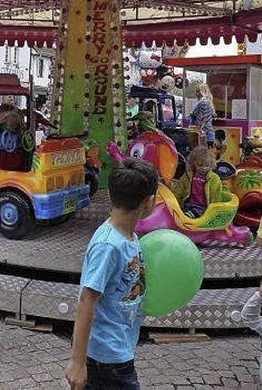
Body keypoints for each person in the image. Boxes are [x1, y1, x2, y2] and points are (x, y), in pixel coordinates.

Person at [65, 158, 159, 390]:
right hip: (106, 358)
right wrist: (77, 362)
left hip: (118, 347)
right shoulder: (109, 246)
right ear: (149, 202)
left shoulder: (129, 236)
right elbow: (87, 299)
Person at [174, 146, 225, 218]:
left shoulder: (214, 178)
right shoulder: (188, 176)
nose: (203, 168)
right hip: (188, 204)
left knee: (191, 214)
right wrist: (175, 202)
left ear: (211, 164)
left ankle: (188, 216)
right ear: (193, 163)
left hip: (203, 207)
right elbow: (179, 189)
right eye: (200, 165)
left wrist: (214, 210)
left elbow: (216, 195)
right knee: (179, 213)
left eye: (207, 166)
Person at [189, 82, 215, 148]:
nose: (196, 94)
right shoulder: (207, 102)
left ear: (203, 92)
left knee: (201, 155)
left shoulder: (204, 103)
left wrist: (198, 130)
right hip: (206, 133)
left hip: (204, 134)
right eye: (196, 91)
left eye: (198, 91)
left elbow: (203, 120)